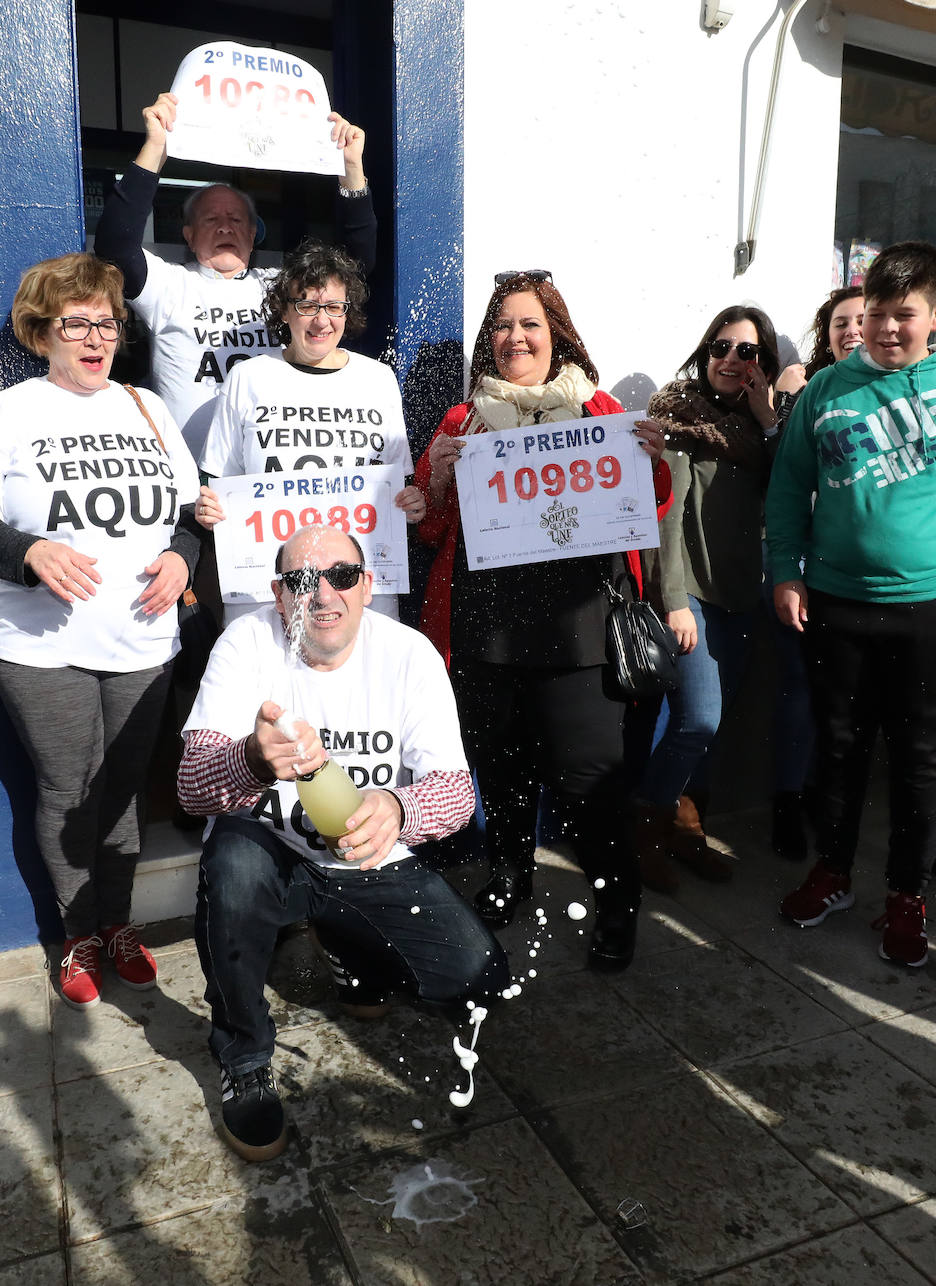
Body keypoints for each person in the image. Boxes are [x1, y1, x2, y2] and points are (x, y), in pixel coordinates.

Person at [178, 525, 509, 1161]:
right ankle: (244, 1054)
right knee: (234, 870)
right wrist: (250, 758)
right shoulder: (246, 643)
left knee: (477, 977)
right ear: (279, 595)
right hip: (269, 847)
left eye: (342, 576)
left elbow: (456, 794)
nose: (322, 593)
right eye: (301, 581)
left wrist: (398, 807)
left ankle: (350, 955)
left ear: (367, 586)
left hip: (366, 857)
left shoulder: (410, 654)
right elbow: (192, 787)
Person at [0, 253, 205, 1007]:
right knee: (69, 790)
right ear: (41, 331)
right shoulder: (9, 413)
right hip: (40, 647)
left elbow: (190, 516)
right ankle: (78, 933)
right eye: (78, 322)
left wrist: (184, 563)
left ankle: (119, 923)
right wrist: (29, 552)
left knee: (124, 788)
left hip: (143, 640)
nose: (97, 337)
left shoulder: (147, 408)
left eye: (108, 322)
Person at [767, 241, 936, 967]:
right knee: (839, 750)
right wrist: (786, 571)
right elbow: (788, 492)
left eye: (903, 315)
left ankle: (907, 894)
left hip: (931, 611)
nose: (885, 329)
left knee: (917, 760)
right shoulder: (825, 390)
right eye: (876, 314)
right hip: (834, 605)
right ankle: (835, 872)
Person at [414, 271, 670, 970]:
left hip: (579, 631)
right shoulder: (463, 421)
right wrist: (434, 478)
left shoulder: (599, 409)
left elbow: (648, 504)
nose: (514, 337)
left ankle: (618, 902)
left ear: (556, 333)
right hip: (487, 627)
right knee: (501, 770)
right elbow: (432, 525)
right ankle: (509, 875)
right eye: (502, 326)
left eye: (529, 324)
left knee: (590, 779)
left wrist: (649, 459)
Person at [93, 92, 376, 461]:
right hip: (192, 485)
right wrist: (155, 149)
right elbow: (114, 246)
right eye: (212, 219)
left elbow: (353, 267)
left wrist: (351, 168)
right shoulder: (171, 285)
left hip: (269, 476)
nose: (225, 227)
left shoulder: (280, 284)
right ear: (189, 235)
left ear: (252, 233)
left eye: (236, 219)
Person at [632, 306, 782, 890]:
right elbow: (663, 518)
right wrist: (671, 599)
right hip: (688, 591)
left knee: (713, 729)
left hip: (741, 593)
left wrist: (768, 420)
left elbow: (786, 483)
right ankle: (644, 831)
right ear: (705, 351)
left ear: (763, 364)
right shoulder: (676, 417)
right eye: (721, 346)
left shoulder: (760, 429)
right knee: (699, 718)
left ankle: (687, 832)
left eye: (747, 351)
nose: (731, 359)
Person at [195, 239, 423, 620]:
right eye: (307, 305)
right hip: (266, 591)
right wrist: (208, 508)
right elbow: (219, 481)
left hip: (356, 592)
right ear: (284, 311)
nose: (322, 320)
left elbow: (396, 483)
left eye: (334, 306)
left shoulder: (378, 380)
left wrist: (411, 504)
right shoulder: (247, 377)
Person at [769, 286, 866, 859]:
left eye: (862, 318)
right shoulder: (806, 389)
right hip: (805, 562)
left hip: (869, 573)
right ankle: (790, 800)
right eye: (840, 322)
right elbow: (785, 472)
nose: (853, 329)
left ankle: (824, 799)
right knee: (799, 688)